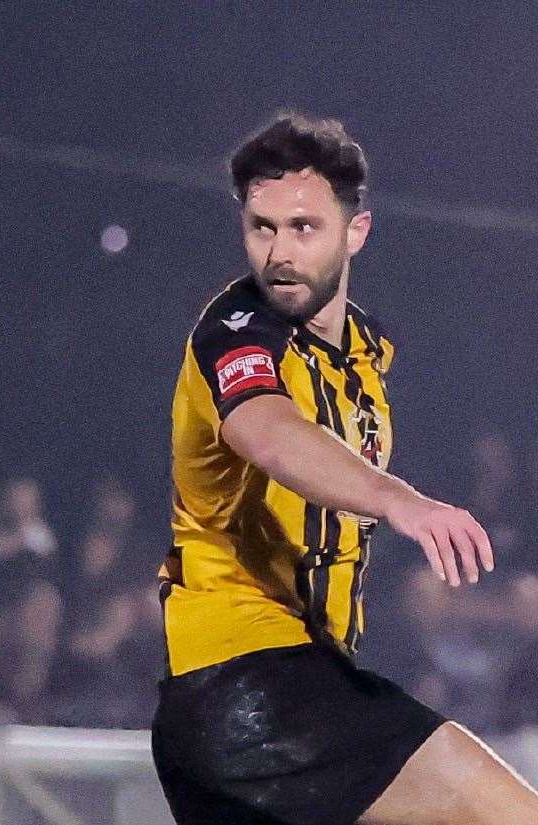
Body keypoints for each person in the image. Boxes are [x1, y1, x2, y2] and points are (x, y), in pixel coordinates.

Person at [153, 114, 538, 825]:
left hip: (255, 708)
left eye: (304, 227)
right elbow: (269, 431)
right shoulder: (234, 330)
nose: (278, 252)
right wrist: (401, 501)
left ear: (356, 231)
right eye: (261, 227)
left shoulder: (366, 352)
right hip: (250, 684)